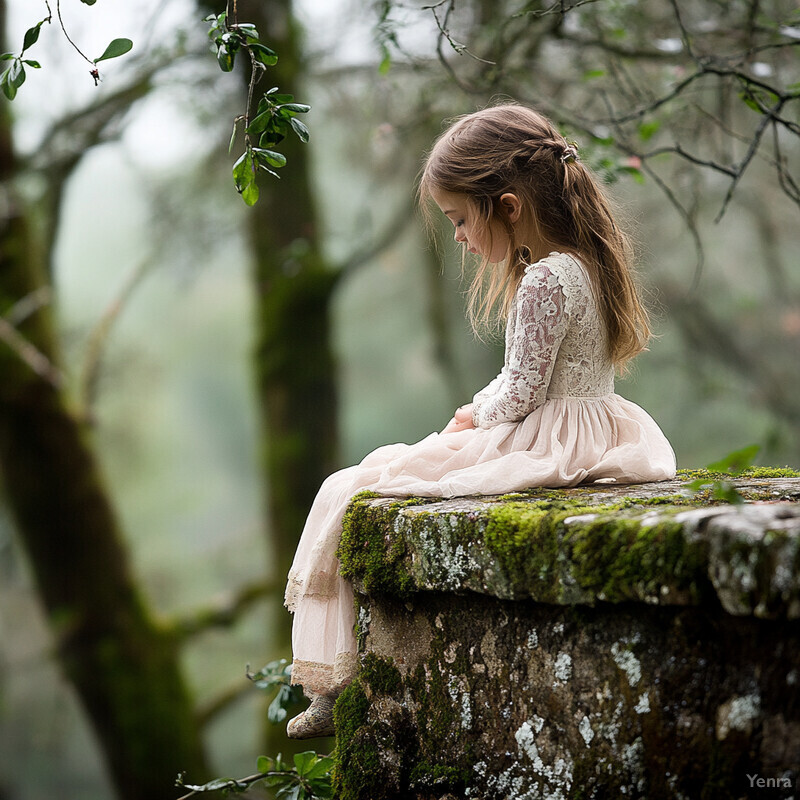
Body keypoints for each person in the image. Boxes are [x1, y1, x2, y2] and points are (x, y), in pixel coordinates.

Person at [284, 103, 676, 738]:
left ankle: (329, 679)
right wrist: (482, 406)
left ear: (509, 206)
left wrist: (475, 415)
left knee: (356, 484)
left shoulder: (545, 280)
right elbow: (536, 377)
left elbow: (521, 393)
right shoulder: (585, 262)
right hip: (591, 426)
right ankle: (331, 677)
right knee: (382, 474)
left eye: (461, 219)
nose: (461, 237)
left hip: (546, 437)